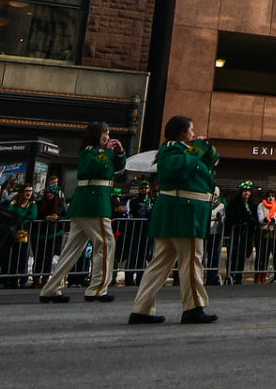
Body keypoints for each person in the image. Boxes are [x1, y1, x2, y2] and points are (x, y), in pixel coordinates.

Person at [127, 117, 220, 326]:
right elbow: (178, 168)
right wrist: (197, 149)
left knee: (159, 264)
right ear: (180, 133)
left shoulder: (184, 151)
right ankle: (193, 307)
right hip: (184, 212)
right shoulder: (172, 149)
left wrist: (205, 148)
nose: (193, 135)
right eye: (191, 131)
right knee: (190, 261)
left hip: (179, 212)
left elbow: (210, 161)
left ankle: (141, 308)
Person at [41, 122, 124, 303]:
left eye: (109, 134)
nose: (108, 137)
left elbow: (114, 166)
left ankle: (51, 287)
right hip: (94, 203)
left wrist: (119, 153)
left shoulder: (98, 153)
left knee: (72, 249)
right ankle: (97, 288)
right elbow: (97, 168)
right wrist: (109, 153)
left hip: (88, 203)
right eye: (105, 133)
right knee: (105, 243)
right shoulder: (89, 152)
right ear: (96, 134)